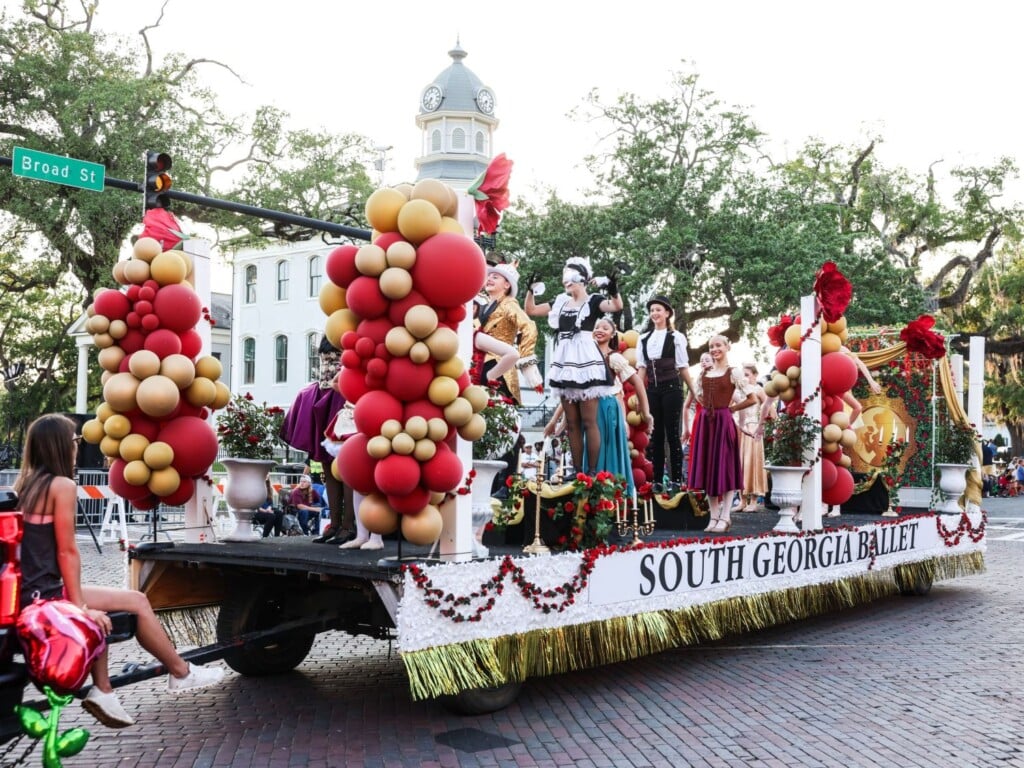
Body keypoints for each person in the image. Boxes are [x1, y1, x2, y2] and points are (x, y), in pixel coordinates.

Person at [14, 414, 223, 729]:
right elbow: (67, 551)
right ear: (59, 446)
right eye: (74, 442)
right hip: (47, 594)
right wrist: (78, 605)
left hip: (30, 591)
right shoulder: (61, 486)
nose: (76, 448)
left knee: (112, 606)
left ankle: (105, 690)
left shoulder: (25, 486)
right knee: (136, 601)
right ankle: (181, 673)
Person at [526, 256, 622, 473]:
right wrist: (531, 290)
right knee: (571, 423)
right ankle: (577, 472)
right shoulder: (560, 301)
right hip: (565, 361)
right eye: (564, 277)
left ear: (582, 278)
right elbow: (531, 310)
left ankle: (593, 472)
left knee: (589, 421)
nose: (566, 281)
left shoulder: (595, 301)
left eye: (570, 276)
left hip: (586, 360)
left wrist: (613, 288)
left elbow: (616, 306)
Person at [281, 336, 353, 545]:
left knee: (345, 467)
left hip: (340, 397)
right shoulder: (334, 333)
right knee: (328, 465)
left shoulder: (347, 334)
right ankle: (336, 524)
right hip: (325, 395)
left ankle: (348, 525)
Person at [687, 336, 756, 533]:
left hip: (723, 422)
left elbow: (751, 399)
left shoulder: (733, 372)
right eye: (711, 346)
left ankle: (726, 516)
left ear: (727, 347)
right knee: (707, 467)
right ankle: (713, 516)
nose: (715, 349)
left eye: (718, 345)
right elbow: (698, 397)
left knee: (725, 468)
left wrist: (731, 410)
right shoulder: (704, 373)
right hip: (705, 424)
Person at [636, 296, 694, 490]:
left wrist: (694, 390)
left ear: (667, 313)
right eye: (652, 310)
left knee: (672, 434)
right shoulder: (643, 339)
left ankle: (677, 479)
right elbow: (641, 370)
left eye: (658, 310)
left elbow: (683, 366)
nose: (654, 313)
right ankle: (658, 480)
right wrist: (639, 394)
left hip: (671, 388)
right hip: (652, 389)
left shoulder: (676, 337)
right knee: (656, 436)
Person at [592, 317, 653, 498]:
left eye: (605, 327)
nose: (599, 330)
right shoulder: (585, 356)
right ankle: (594, 495)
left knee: (608, 449)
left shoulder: (614, 357)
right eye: (596, 326)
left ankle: (611, 497)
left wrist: (646, 413)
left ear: (612, 334)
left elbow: (637, 383)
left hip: (607, 409)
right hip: (589, 410)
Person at [477, 261, 539, 405]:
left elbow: (529, 327)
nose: (490, 279)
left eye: (496, 277)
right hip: (480, 362)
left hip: (499, 364)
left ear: (507, 285)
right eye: (489, 276)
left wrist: (526, 358)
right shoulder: (483, 304)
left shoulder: (509, 304)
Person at [735, 363, 768, 512]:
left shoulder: (759, 390)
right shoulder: (739, 391)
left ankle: (754, 500)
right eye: (743, 376)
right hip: (740, 429)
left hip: (754, 428)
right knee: (740, 463)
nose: (745, 378)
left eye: (747, 375)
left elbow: (770, 410)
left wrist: (761, 425)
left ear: (755, 375)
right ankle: (742, 500)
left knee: (753, 463)